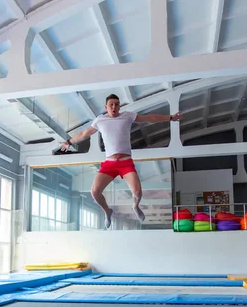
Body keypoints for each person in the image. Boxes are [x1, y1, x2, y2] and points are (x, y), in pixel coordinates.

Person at [61, 94, 182, 229]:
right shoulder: (99, 120)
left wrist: (170, 118)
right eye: (111, 104)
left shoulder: (127, 116)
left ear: (119, 106)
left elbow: (149, 118)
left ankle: (135, 206)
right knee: (94, 192)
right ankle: (107, 211)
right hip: (109, 164)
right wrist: (69, 141)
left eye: (117, 104)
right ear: (106, 106)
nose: (114, 107)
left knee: (137, 192)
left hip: (125, 163)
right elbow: (84, 134)